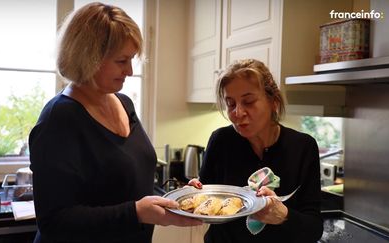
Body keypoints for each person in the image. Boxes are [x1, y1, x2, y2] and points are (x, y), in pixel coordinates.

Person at [28, 3, 201, 243]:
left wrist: (177, 196)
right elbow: (54, 222)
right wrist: (136, 212)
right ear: (89, 57)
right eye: (121, 61)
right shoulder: (59, 119)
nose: (130, 71)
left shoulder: (124, 103)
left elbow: (126, 178)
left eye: (131, 59)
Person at [188, 59, 324, 243]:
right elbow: (207, 200)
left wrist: (283, 215)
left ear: (273, 102)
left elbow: (314, 228)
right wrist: (193, 196)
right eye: (230, 104)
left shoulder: (302, 147)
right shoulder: (220, 141)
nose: (238, 112)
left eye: (249, 101)